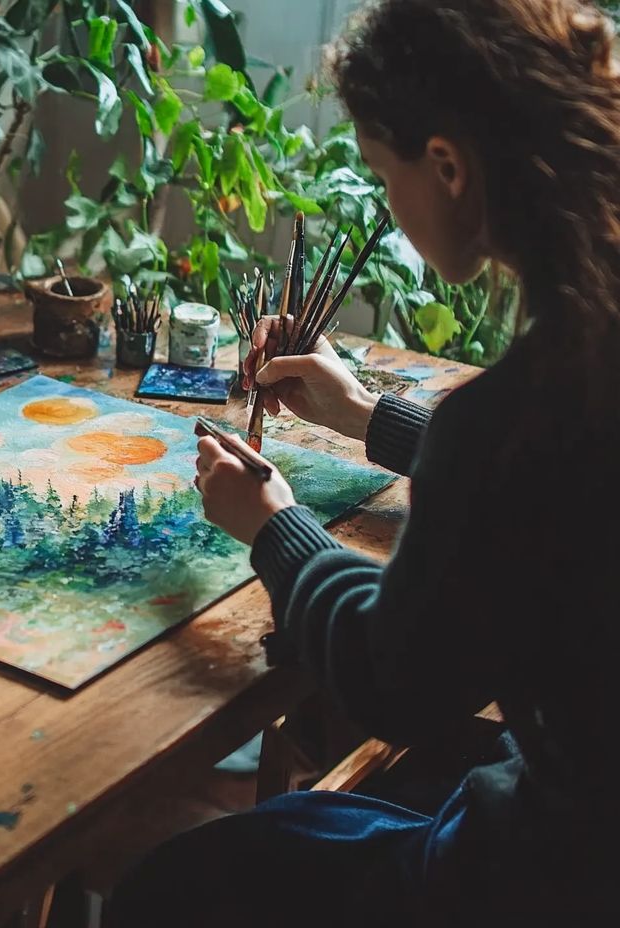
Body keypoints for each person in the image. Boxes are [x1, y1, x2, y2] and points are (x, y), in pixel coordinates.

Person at [106, 0, 620, 924]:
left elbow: (399, 684)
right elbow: (554, 488)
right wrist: (368, 417)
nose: (388, 203)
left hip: (542, 877)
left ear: (450, 167)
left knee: (159, 891)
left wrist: (276, 527)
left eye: (385, 177)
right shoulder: (585, 360)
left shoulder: (519, 417)